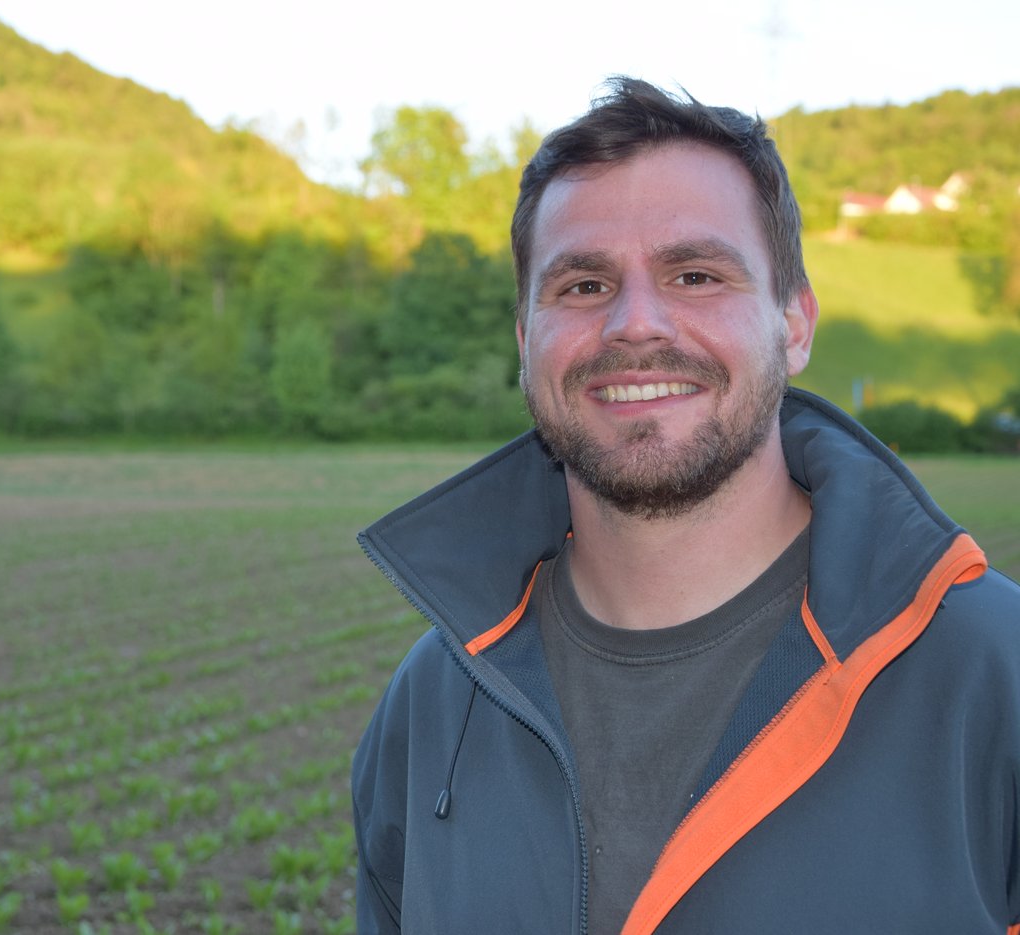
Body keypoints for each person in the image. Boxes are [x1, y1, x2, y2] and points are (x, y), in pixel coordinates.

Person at [351, 77, 1020, 935]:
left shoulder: (995, 680)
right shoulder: (433, 705)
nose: (634, 324)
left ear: (795, 324)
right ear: (526, 340)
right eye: (584, 286)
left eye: (695, 274)